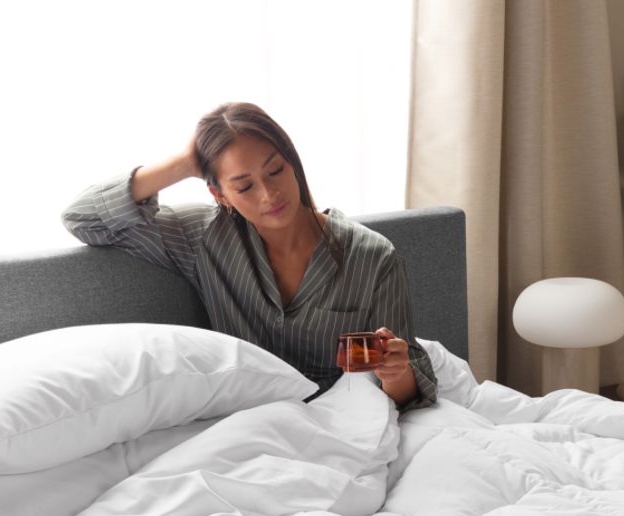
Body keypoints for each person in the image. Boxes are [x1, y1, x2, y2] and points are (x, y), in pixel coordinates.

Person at [62, 102, 435, 409]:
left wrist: (395, 372)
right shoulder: (204, 238)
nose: (269, 195)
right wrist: (185, 162)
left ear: (293, 164)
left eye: (275, 171)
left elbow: (413, 391)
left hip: (344, 419)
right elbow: (82, 217)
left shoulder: (373, 258)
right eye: (244, 186)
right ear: (220, 195)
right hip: (249, 424)